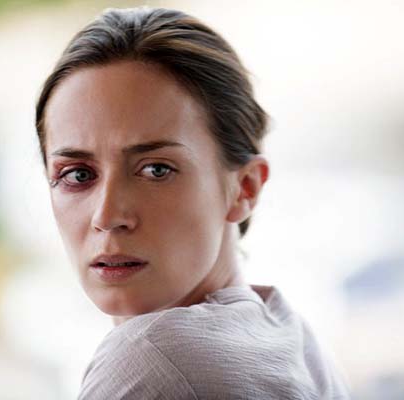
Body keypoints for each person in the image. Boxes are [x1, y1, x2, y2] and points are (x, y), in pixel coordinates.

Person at [35, 7, 349, 399]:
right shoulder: (293, 340)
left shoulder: (152, 360)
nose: (108, 216)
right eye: (78, 175)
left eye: (156, 170)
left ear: (245, 188)